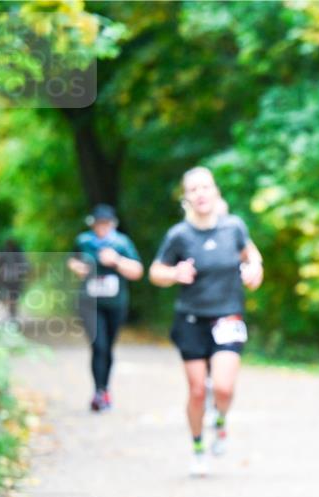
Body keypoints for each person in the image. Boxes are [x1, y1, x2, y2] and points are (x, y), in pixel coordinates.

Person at [149, 167, 263, 476]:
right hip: (191, 318)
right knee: (198, 390)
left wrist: (255, 270)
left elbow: (252, 256)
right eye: (193, 189)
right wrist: (174, 274)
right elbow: (155, 272)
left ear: (215, 192)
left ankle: (221, 421)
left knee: (223, 388)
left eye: (205, 187)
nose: (200, 193)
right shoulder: (179, 235)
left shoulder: (233, 227)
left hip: (228, 315)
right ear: (186, 198)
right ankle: (198, 447)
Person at [67, 204, 144, 412]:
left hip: (115, 304)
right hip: (90, 304)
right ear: (93, 224)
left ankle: (105, 388)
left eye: (106, 224)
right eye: (99, 224)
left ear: (112, 224)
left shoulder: (121, 243)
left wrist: (116, 261)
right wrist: (78, 267)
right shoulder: (83, 241)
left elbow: (137, 271)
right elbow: (71, 261)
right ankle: (99, 392)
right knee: (98, 346)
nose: (102, 228)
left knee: (108, 347)